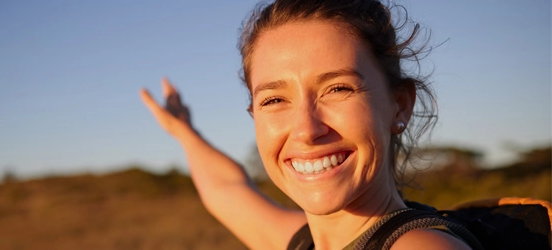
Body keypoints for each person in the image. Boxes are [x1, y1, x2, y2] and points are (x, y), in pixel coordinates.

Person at [140, 0, 473, 249]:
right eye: (274, 100)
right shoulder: (306, 242)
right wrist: (184, 131)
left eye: (338, 89)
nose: (305, 129)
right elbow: (227, 190)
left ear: (399, 106)